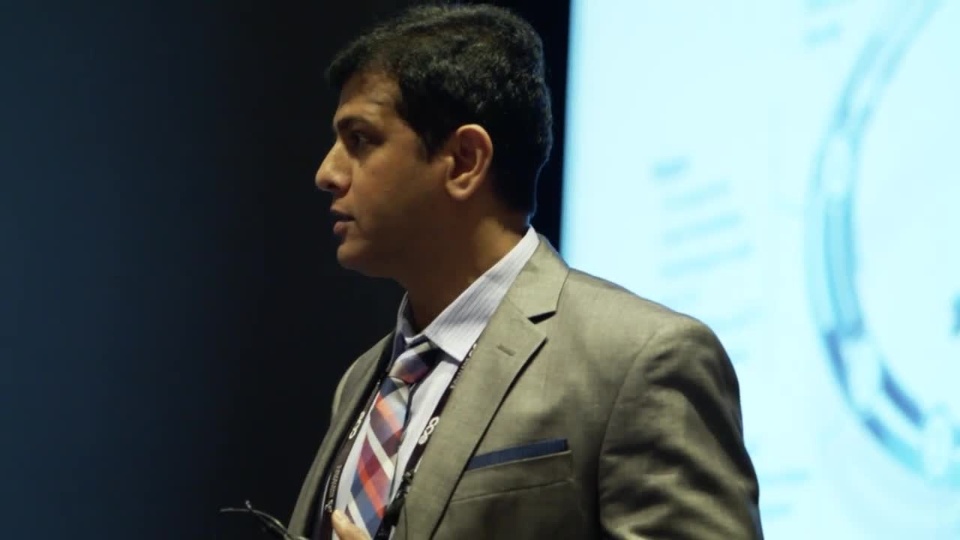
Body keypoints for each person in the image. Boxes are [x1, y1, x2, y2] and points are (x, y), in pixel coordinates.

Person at [289, 4, 763, 539]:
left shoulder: (641, 359)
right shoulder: (363, 379)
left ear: (465, 160)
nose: (326, 172)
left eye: (360, 140)